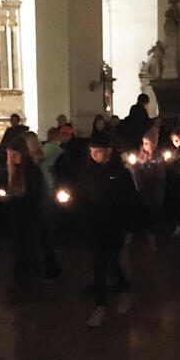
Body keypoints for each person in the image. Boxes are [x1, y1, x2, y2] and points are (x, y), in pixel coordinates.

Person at [78, 133, 137, 327]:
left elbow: (129, 201)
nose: (94, 155)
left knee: (112, 263)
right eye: (92, 152)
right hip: (94, 226)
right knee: (98, 266)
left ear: (109, 152)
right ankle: (100, 306)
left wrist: (128, 226)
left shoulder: (120, 173)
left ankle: (123, 290)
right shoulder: (89, 172)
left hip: (113, 226)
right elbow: (83, 196)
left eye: (98, 152)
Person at [4, 137, 45, 302]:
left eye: (12, 155)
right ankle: (22, 283)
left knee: (30, 252)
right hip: (19, 218)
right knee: (19, 251)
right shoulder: (17, 171)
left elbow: (35, 196)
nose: (9, 159)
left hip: (29, 218)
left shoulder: (31, 172)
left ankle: (32, 286)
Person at [25, 132, 61, 281]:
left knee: (43, 242)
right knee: (45, 241)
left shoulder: (39, 167)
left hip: (42, 207)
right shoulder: (42, 164)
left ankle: (47, 272)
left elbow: (44, 188)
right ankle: (50, 271)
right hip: (45, 207)